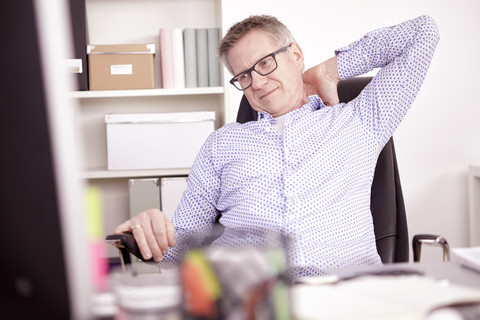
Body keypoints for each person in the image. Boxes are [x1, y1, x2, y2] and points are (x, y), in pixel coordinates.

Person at [114, 14, 439, 279]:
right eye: (242, 75)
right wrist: (150, 232)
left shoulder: (361, 118)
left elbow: (423, 33)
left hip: (348, 294)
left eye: (265, 63)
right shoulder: (222, 144)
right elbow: (182, 251)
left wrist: (328, 70)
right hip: (253, 300)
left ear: (295, 54)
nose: (256, 82)